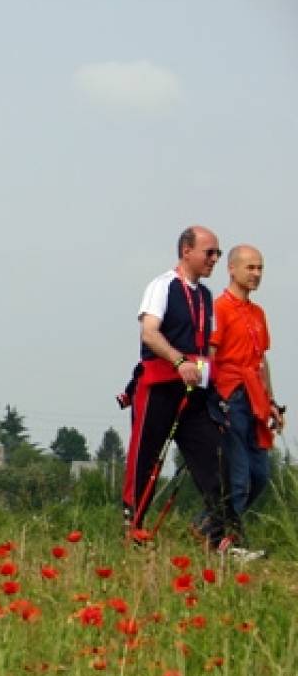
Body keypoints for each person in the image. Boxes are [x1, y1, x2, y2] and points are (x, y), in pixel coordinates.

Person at [122, 225, 245, 554]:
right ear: (186, 251)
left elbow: (209, 348)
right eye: (210, 252)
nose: (215, 258)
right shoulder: (162, 286)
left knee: (215, 458)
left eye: (218, 252)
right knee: (146, 457)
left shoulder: (205, 296)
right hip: (161, 386)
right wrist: (178, 361)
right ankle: (133, 528)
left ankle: (221, 539)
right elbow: (149, 333)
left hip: (196, 393)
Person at [209, 244, 284, 535]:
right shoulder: (219, 307)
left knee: (260, 476)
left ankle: (206, 525)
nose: (256, 274)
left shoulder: (258, 313)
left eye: (260, 268)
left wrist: (272, 402)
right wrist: (212, 398)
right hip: (230, 396)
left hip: (255, 399)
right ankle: (226, 538)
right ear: (232, 268)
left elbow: (261, 360)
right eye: (250, 267)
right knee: (237, 477)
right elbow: (210, 354)